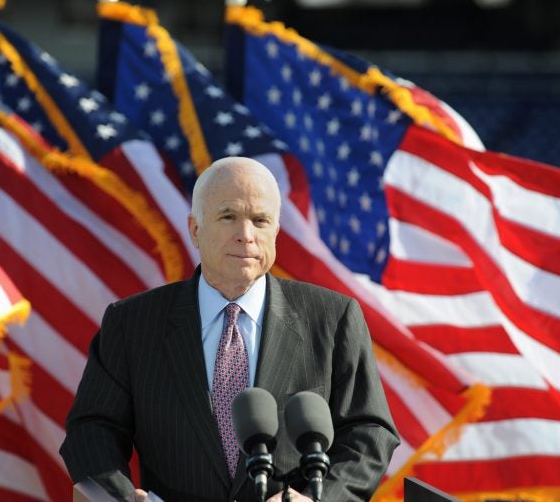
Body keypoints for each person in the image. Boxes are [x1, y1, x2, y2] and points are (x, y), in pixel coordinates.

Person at [60, 157, 399, 501]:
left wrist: (320, 498)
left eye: (261, 220)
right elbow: (92, 429)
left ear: (276, 230)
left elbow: (369, 431)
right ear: (195, 229)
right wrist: (123, 498)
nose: (246, 236)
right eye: (229, 217)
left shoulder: (333, 316)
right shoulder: (131, 323)